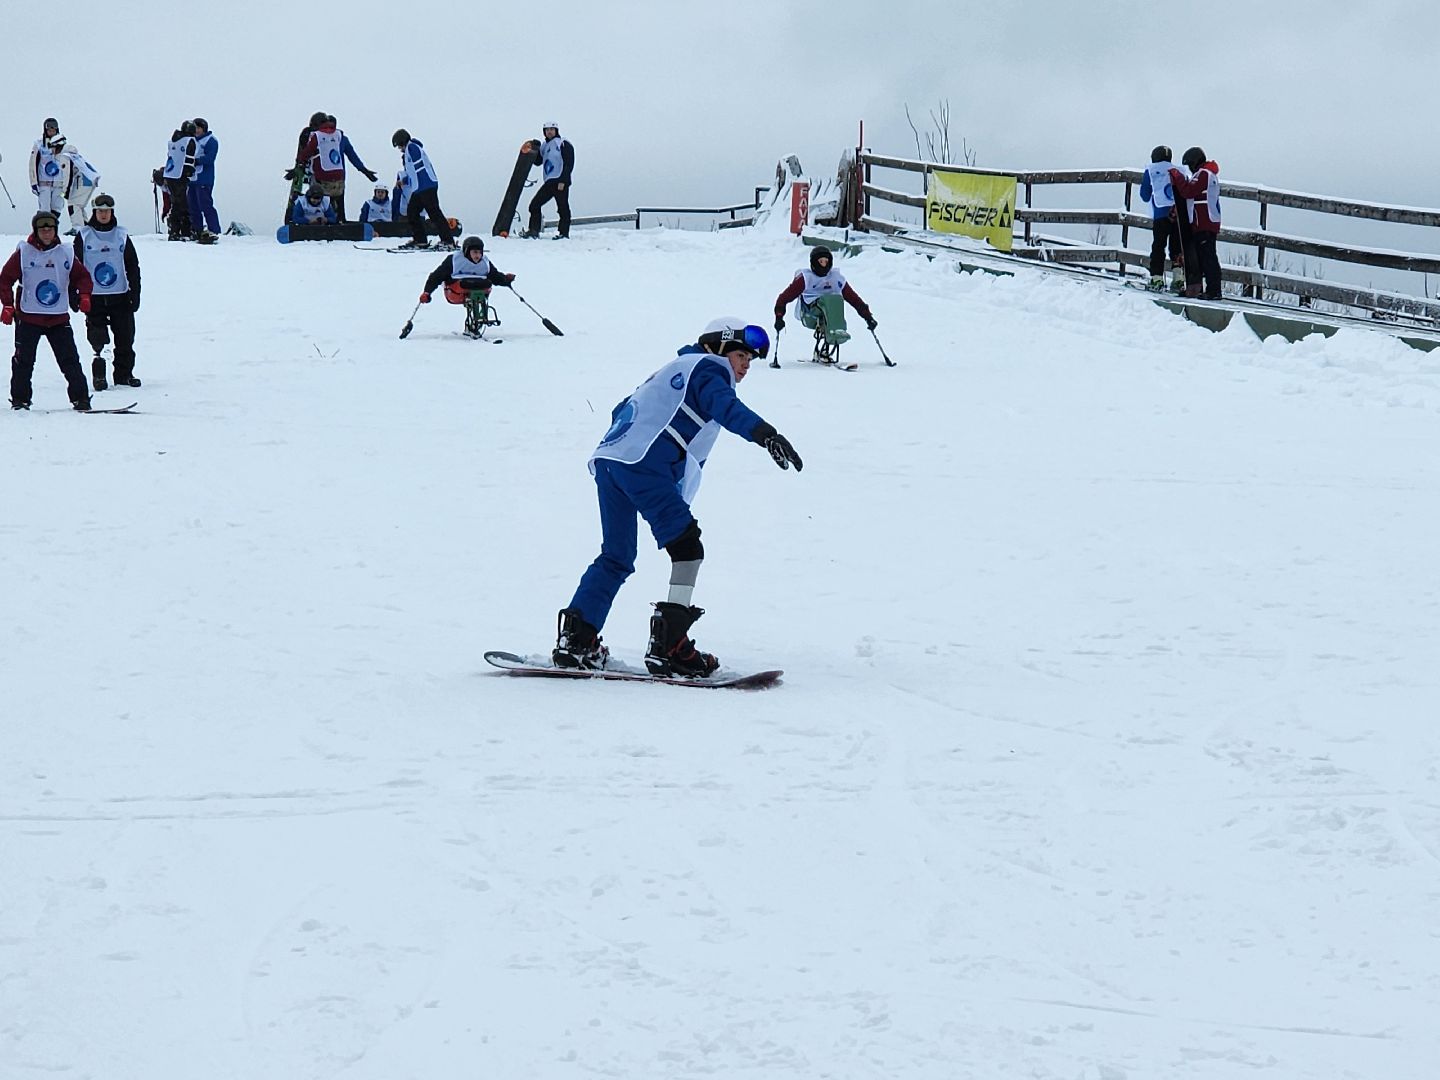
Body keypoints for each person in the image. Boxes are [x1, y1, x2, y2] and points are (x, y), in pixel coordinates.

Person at [553, 317, 803, 678]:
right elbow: (726, 409)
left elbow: (621, 409)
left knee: (617, 555)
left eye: (750, 360)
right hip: (642, 465)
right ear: (717, 348)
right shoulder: (709, 370)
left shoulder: (674, 368)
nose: (745, 365)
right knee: (687, 547)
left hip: (610, 461)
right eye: (740, 355)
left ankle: (577, 640)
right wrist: (767, 435)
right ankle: (671, 647)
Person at [1, 210, 94, 411]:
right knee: (23, 361)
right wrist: (8, 305)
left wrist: (84, 295)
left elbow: (83, 277)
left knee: (70, 360)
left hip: (58, 317)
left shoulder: (66, 252)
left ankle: (81, 399)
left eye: (50, 228)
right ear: (36, 231)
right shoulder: (24, 252)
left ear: (55, 231)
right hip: (28, 317)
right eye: (42, 228)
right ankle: (20, 400)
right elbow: (5, 278)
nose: (46, 232)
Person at [74, 193, 142, 391]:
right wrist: (75, 293)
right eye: (100, 211)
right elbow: (74, 266)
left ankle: (124, 374)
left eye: (107, 211)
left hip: (119, 295)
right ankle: (99, 376)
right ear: (95, 212)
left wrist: (135, 292)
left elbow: (132, 265)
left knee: (125, 337)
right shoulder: (84, 235)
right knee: (98, 338)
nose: (104, 215)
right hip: (93, 297)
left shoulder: (121, 234)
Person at [772, 244, 876, 368]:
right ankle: (835, 334)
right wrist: (779, 317)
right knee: (832, 299)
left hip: (829, 312)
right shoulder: (806, 278)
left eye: (826, 262)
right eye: (820, 261)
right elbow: (784, 298)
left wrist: (867, 317)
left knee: (836, 299)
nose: (824, 265)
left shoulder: (836, 278)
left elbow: (853, 298)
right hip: (809, 313)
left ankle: (825, 349)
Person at [418, 235, 514, 337]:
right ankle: (473, 320)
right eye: (474, 252)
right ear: (467, 252)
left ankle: (477, 321)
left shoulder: (485, 262)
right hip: (456, 290)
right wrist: (427, 292)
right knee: (468, 286)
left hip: (478, 289)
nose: (478, 256)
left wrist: (505, 279)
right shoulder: (454, 260)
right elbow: (437, 276)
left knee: (484, 286)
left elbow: (494, 276)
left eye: (480, 252)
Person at [296, 114, 377, 223]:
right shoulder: (340, 137)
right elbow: (352, 155)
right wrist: (363, 170)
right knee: (337, 202)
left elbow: (308, 152)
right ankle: (338, 220)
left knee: (321, 201)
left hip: (321, 176)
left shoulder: (319, 136)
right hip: (339, 177)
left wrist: (299, 164)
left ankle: (323, 221)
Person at [1169, 147, 1223, 300]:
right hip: (1201, 221)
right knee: (1200, 257)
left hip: (1205, 221)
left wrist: (1178, 177)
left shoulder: (1204, 174)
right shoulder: (1204, 174)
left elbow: (1189, 191)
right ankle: (1199, 288)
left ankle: (1214, 290)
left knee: (1208, 257)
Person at [391, 129, 455, 250]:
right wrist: (403, 181)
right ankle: (420, 240)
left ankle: (448, 240)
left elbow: (419, 168)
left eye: (399, 145)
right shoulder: (409, 151)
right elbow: (412, 173)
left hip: (426, 186)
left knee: (434, 213)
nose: (400, 148)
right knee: (412, 212)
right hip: (419, 188)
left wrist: (421, 185)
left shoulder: (412, 148)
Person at [1139, 144, 1185, 292]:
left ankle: (1157, 279)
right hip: (1178, 215)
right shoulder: (1180, 170)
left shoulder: (1151, 171)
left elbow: (1144, 195)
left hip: (1160, 215)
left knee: (1158, 246)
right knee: (1177, 248)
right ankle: (1179, 279)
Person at [524, 122, 574, 239]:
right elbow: (538, 161)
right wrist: (533, 148)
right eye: (547, 130)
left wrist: (564, 180)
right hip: (549, 182)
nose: (549, 132)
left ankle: (563, 233)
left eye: (552, 129)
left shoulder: (563, 143)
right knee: (534, 205)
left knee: (562, 207)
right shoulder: (545, 146)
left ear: (556, 130)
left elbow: (569, 163)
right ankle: (533, 231)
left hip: (560, 181)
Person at [160, 120, 198, 240]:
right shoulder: (189, 140)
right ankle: (178, 231)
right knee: (180, 203)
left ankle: (180, 230)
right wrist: (189, 171)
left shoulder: (173, 141)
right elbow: (189, 158)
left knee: (177, 202)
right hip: (181, 174)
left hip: (170, 173)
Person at [187, 117, 221, 238]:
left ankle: (214, 229)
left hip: (204, 178)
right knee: (192, 206)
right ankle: (197, 230)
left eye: (198, 127)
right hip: (192, 178)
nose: (196, 130)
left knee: (205, 204)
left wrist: (196, 161)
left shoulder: (210, 140)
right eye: (194, 128)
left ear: (203, 128)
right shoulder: (192, 140)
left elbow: (210, 158)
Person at [28, 118, 66, 216]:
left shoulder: (63, 145)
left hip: (59, 183)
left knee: (57, 207)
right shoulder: (39, 144)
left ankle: (52, 228)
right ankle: (40, 227)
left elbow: (69, 163)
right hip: (44, 183)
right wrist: (34, 183)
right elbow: (33, 164)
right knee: (45, 208)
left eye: (53, 131)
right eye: (49, 130)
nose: (52, 133)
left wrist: (67, 183)